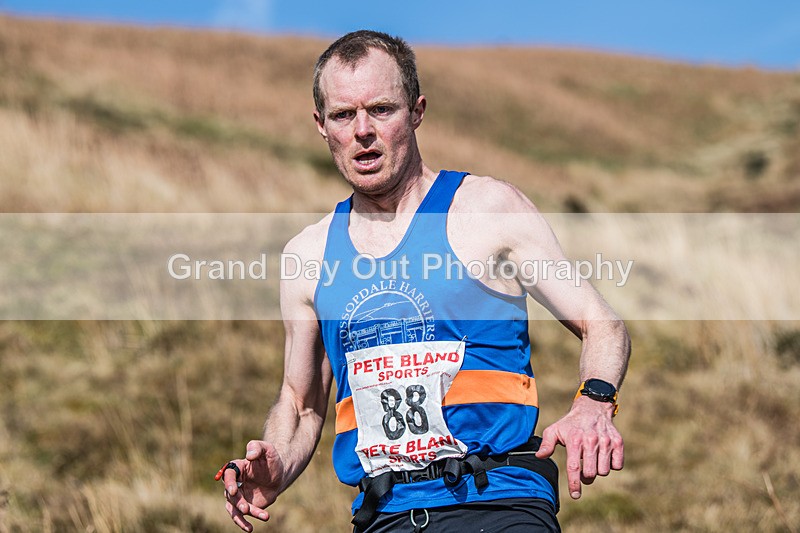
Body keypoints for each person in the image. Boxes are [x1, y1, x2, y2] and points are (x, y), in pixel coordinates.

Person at [217, 30, 630, 532]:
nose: (362, 130)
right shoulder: (308, 254)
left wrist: (593, 403)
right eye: (344, 115)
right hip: (384, 516)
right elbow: (301, 403)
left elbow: (602, 325)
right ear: (321, 126)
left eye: (382, 110)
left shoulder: (487, 210)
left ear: (416, 111)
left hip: (499, 504)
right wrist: (277, 464)